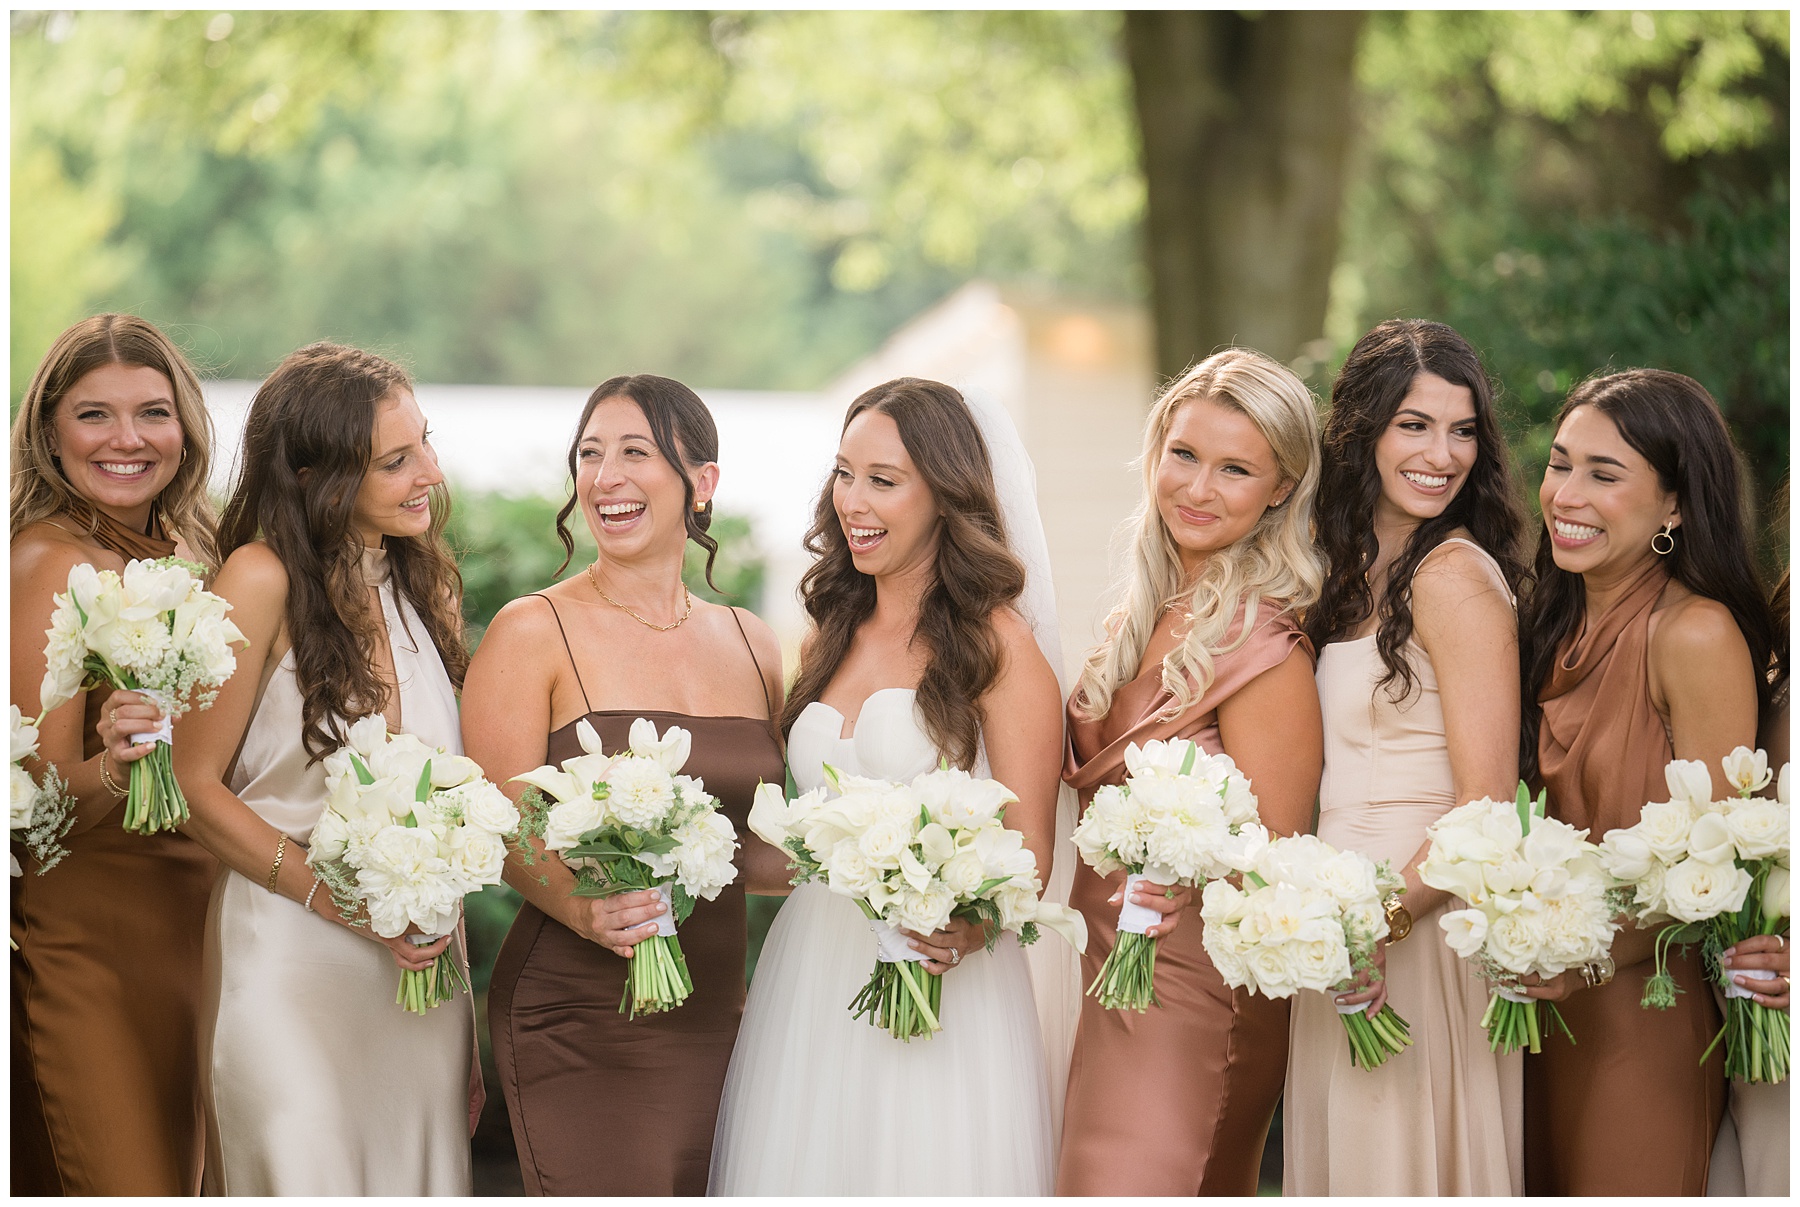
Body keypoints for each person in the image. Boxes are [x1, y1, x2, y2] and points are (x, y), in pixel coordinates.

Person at [709, 377, 1067, 1195]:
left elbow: (1033, 854)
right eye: (844, 473)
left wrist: (965, 928)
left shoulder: (999, 645)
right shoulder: (829, 633)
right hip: (811, 974)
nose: (853, 502)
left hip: (941, 977)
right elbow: (792, 843)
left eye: (884, 479)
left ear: (945, 495)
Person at [469, 375, 785, 1195]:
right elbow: (496, 825)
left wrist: (885, 870)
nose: (605, 476)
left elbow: (759, 845)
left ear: (702, 483)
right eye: (588, 454)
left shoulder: (753, 644)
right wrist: (580, 905)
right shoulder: (531, 629)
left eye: (634, 453)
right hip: (577, 1009)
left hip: (717, 1008)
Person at [172, 343, 474, 1194]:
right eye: (395, 459)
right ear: (316, 475)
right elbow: (194, 787)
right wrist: (333, 898)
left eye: (426, 442)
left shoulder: (425, 588)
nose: (430, 472)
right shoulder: (257, 579)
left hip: (418, 976)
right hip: (290, 959)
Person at [1058, 347, 1326, 1195]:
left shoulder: (1265, 648)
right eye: (1184, 455)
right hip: (1102, 972)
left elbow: (1277, 860)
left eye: (1235, 468)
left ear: (1281, 487)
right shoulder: (1137, 619)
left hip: (1198, 994)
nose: (1198, 488)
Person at [1282, 319, 1529, 1194]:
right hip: (1328, 923)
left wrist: (1379, 921)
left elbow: (1487, 803)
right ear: (1363, 430)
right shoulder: (1335, 567)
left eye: (1463, 430)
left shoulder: (1453, 575)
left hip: (1415, 921)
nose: (1443, 453)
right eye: (1415, 425)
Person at [1517, 368, 1773, 1195]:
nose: (1566, 493)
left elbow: (1718, 866)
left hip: (1648, 1014)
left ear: (1675, 505)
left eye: (1604, 473)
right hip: (1530, 1011)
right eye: (1560, 464)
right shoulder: (1545, 627)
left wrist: (1577, 954)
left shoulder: (1693, 634)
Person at [10, 314, 221, 1195]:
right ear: (51, 434)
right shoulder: (44, 562)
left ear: (186, 427)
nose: (128, 439)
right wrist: (114, 763)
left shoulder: (203, 554)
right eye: (95, 415)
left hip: (205, 932)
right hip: (92, 943)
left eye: (152, 413)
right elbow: (27, 813)